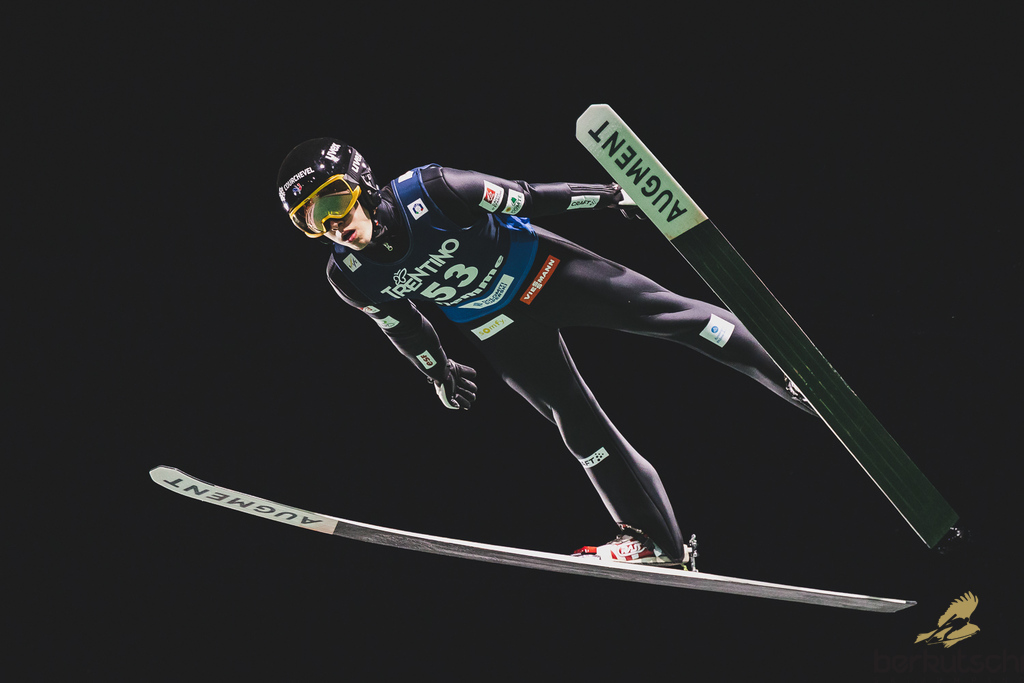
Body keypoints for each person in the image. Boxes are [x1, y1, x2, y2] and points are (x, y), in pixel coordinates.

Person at [276, 138, 814, 567]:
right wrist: (437, 371)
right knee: (576, 424)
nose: (331, 224)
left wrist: (611, 195)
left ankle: (793, 377)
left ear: (362, 184)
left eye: (333, 201)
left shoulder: (434, 190)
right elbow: (404, 326)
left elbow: (530, 196)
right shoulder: (350, 275)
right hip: (495, 325)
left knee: (671, 316)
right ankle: (655, 543)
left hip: (548, 274)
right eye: (310, 219)